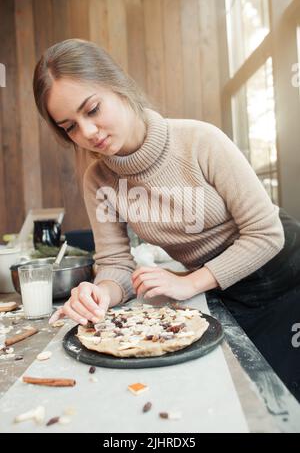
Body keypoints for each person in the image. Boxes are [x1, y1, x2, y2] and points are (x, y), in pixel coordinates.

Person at [33, 39, 300, 402]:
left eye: (92, 109)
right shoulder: (98, 180)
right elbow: (115, 265)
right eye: (70, 127)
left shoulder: (200, 141)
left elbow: (266, 235)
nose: (88, 133)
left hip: (285, 276)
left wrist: (190, 282)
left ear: (119, 86)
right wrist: (100, 294)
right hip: (224, 290)